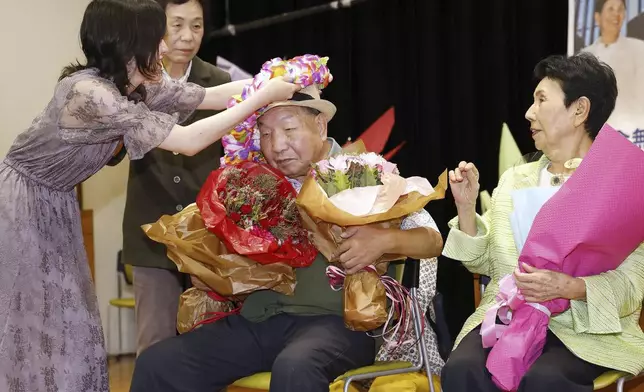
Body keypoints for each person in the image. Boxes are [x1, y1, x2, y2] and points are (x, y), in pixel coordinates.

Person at [0, 0, 299, 390]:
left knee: (65, 315)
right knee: (32, 319)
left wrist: (279, 79)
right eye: (155, 37)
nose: (164, 47)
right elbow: (189, 141)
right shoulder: (90, 93)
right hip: (21, 205)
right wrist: (261, 98)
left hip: (54, 202)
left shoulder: (131, 82)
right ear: (128, 42)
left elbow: (209, 96)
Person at [128, 85, 445, 392]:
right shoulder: (252, 184)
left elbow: (432, 240)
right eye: (265, 133)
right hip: (259, 320)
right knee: (159, 364)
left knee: (295, 367)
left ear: (320, 125)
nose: (276, 145)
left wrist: (381, 241)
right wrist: (215, 271)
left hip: (336, 324)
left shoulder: (360, 173)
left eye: (289, 129)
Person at [440, 52, 644, 392]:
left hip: (585, 329)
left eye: (541, 99)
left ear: (579, 110)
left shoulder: (620, 186)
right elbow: (480, 263)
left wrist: (570, 288)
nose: (529, 112)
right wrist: (465, 205)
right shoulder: (515, 178)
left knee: (545, 381)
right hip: (509, 318)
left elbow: (633, 284)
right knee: (462, 369)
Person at [122, 0, 235, 356]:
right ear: (158, 29)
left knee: (211, 344)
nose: (188, 36)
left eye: (197, 26)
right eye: (178, 25)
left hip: (207, 232)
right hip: (150, 229)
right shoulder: (134, 79)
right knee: (154, 344)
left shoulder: (220, 82)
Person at [582, 0, 644, 144]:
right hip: (595, 135)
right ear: (597, 17)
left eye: (620, 9)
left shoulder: (639, 49)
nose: (616, 14)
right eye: (611, 9)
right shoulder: (583, 56)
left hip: (633, 135)